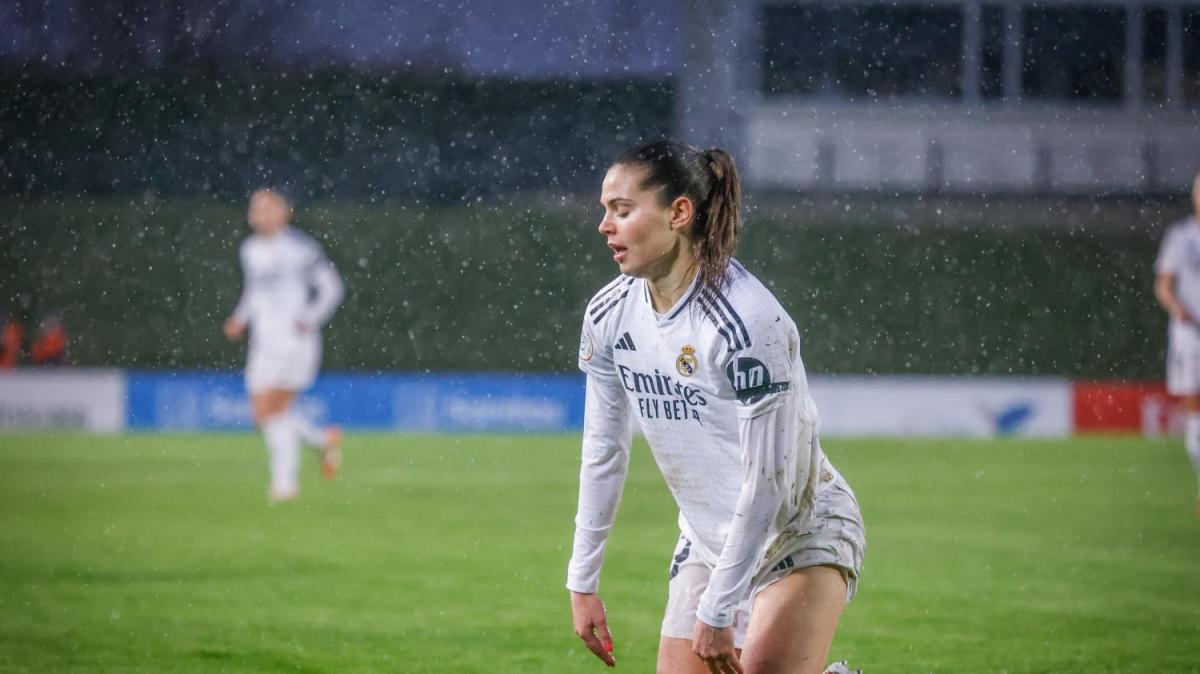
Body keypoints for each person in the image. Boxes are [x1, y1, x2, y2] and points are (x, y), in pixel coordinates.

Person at [567, 141, 866, 674]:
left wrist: (718, 607)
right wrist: (582, 581)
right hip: (706, 543)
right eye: (604, 210)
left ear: (679, 213)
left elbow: (768, 479)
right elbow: (604, 451)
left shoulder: (748, 323)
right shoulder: (609, 314)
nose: (604, 226)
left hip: (798, 532)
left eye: (622, 209)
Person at [224, 188, 345, 503]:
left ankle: (285, 485)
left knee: (272, 412)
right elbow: (254, 291)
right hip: (262, 343)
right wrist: (240, 318)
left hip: (295, 342)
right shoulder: (249, 249)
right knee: (263, 415)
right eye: (256, 208)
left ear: (284, 213)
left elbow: (332, 287)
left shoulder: (300, 249)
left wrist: (310, 317)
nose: (260, 214)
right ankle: (322, 443)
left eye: (268, 208)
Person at [1153, 172, 1200, 518]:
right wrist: (1178, 308)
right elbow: (1163, 284)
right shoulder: (1182, 237)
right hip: (1192, 337)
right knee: (1195, 414)